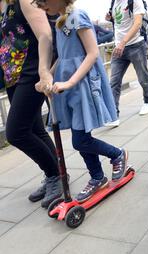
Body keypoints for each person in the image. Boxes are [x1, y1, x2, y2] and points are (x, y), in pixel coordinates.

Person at [34, 0, 130, 203]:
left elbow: (93, 53)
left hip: (81, 84)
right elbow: (62, 57)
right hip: (69, 86)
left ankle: (117, 155)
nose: (41, 6)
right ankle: (97, 177)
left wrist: (70, 82)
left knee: (80, 139)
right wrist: (47, 78)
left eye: (43, 2)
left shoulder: (77, 16)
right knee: (81, 134)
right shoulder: (61, 21)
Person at [1, 0, 62, 208]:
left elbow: (45, 34)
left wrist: (44, 71)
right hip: (13, 77)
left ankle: (55, 174)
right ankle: (56, 172)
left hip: (30, 73)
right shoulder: (6, 6)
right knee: (35, 129)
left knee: (15, 132)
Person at [105, 0, 148, 126]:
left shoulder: (134, 1)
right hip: (119, 48)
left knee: (143, 77)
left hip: (135, 45)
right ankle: (113, 114)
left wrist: (123, 42)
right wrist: (110, 19)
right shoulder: (114, 2)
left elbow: (137, 23)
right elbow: (120, 23)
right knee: (114, 82)